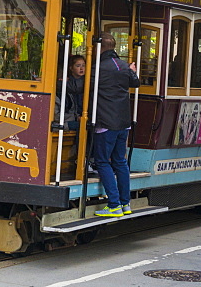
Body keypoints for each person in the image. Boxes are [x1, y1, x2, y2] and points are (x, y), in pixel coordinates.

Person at [91, 33, 140, 219]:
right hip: (124, 122)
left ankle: (113, 205)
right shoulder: (123, 66)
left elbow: (84, 87)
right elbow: (135, 82)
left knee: (103, 161)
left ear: (99, 47)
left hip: (106, 122)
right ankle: (125, 203)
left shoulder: (99, 68)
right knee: (120, 162)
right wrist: (132, 70)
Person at [56, 54, 86, 130]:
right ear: (71, 68)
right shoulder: (65, 82)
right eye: (78, 66)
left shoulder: (87, 82)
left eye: (83, 65)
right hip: (71, 117)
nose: (81, 68)